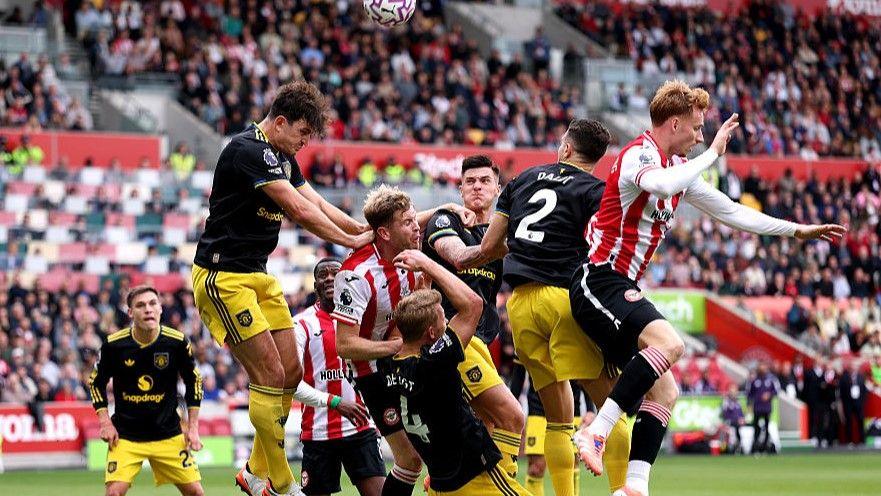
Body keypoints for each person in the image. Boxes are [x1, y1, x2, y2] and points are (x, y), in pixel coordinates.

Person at [572, 80, 846, 496]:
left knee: (666, 390)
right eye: (697, 127)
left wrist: (796, 231)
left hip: (619, 286)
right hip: (597, 279)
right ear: (675, 123)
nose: (701, 136)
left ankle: (634, 489)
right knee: (671, 344)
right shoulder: (638, 155)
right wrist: (713, 154)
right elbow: (661, 185)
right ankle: (597, 431)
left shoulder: (679, 170)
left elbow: (732, 212)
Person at [191, 81, 374, 496]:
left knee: (291, 373)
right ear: (279, 123)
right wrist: (350, 241)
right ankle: (282, 483)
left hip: (258, 276)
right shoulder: (248, 150)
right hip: (223, 277)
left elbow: (318, 203)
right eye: (302, 134)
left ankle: (254, 470)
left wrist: (360, 231)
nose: (304, 144)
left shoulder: (282, 158)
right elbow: (297, 209)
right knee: (270, 375)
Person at [461, 119, 632, 495]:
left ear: (567, 148)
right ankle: (623, 489)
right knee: (612, 407)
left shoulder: (522, 180)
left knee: (558, 419)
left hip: (521, 306)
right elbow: (608, 249)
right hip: (564, 298)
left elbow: (489, 247)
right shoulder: (597, 190)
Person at [332, 184, 474, 496]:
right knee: (410, 460)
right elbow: (344, 345)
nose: (417, 227)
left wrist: (447, 208)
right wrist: (397, 347)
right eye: (408, 222)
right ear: (384, 233)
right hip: (372, 370)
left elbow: (409, 222)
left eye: (415, 219)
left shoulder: (406, 252)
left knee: (437, 445)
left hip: (407, 359)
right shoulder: (355, 275)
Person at [380, 249, 530, 495]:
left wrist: (423, 294)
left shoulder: (389, 364)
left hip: (441, 481)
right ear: (431, 333)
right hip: (474, 478)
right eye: (443, 319)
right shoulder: (435, 363)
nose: (448, 322)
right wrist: (427, 263)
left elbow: (407, 326)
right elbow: (473, 305)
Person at [420, 155, 524, 477]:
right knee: (512, 417)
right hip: (452, 339)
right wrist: (515, 241)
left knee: (485, 426)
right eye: (470, 182)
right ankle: (505, 483)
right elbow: (459, 257)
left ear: (497, 189)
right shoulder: (445, 221)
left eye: (484, 181)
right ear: (460, 189)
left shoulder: (497, 233)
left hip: (481, 342)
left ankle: (445, 486)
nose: (477, 187)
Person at [88, 286, 204, 496]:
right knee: (114, 493)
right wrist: (105, 423)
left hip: (168, 433)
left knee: (196, 492)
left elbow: (194, 380)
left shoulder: (177, 342)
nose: (148, 309)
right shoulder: (114, 345)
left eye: (152, 303)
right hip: (126, 436)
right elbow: (96, 382)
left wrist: (193, 427)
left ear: (160, 308)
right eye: (140, 305)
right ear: (130, 313)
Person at [290, 258, 385, 496]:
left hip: (360, 427)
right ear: (315, 286)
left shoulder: (364, 319)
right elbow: (291, 384)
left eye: (336, 273)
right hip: (318, 432)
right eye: (323, 275)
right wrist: (334, 401)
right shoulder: (301, 324)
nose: (330, 278)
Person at [746, 364, 780, 454]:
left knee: (767, 427)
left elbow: (776, 391)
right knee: (756, 427)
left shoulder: (771, 380)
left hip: (766, 408)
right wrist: (749, 405)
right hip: (757, 408)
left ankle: (765, 446)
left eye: (764, 367)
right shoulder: (754, 380)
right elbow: (749, 394)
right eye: (761, 367)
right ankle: (755, 446)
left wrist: (769, 395)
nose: (763, 369)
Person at [839, 361, 868, 445]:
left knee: (860, 421)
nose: (853, 368)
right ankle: (849, 441)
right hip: (848, 403)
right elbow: (842, 391)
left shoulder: (861, 377)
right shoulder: (844, 377)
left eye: (855, 367)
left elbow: (864, 390)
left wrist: (862, 402)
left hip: (859, 403)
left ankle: (862, 440)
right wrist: (844, 402)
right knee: (848, 422)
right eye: (852, 367)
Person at [720, 384, 745, 454]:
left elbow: (741, 413)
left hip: (737, 424)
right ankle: (728, 449)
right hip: (729, 423)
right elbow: (724, 414)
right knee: (731, 432)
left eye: (735, 392)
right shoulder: (726, 402)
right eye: (732, 391)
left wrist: (742, 419)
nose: (734, 394)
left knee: (738, 432)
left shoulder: (738, 402)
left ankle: (738, 448)